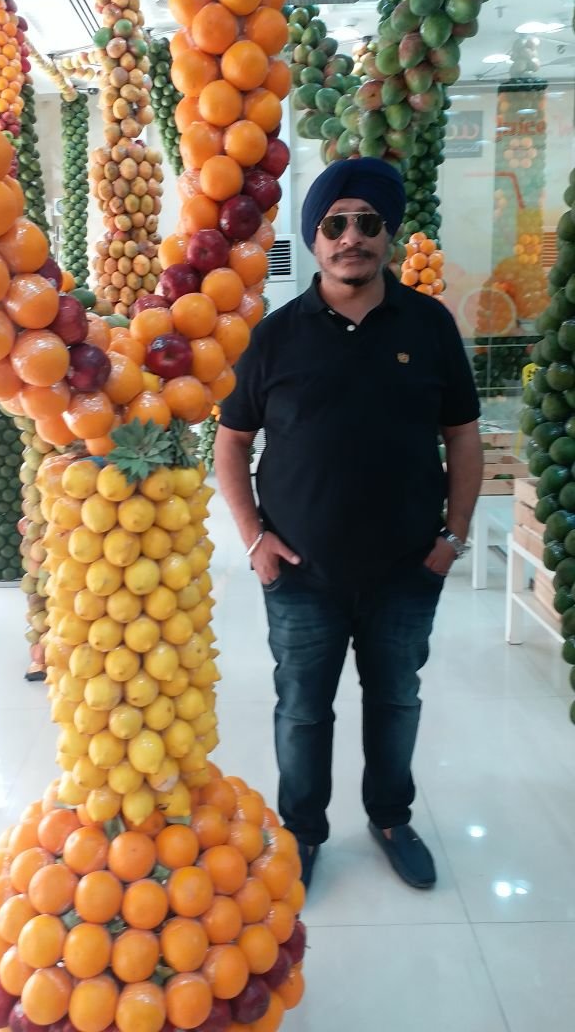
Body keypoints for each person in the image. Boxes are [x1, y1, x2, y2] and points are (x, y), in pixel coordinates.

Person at [214, 157, 483, 891]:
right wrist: (254, 539)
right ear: (315, 238)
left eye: (367, 223)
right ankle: (302, 831)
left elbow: (463, 435)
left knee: (396, 701)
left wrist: (453, 536)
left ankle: (391, 818)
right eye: (335, 224)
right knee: (303, 711)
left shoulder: (429, 325)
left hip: (407, 569)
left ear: (387, 233)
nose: (351, 237)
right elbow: (231, 443)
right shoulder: (273, 336)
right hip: (301, 573)